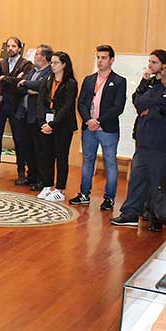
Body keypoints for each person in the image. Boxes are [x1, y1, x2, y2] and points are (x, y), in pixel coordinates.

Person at [110, 60, 166, 229]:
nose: (162, 73)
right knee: (137, 180)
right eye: (162, 69)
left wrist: (151, 111)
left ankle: (155, 217)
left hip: (163, 146)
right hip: (143, 142)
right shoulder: (158, 88)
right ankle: (130, 214)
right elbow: (140, 103)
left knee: (158, 183)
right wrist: (155, 108)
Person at [70, 45, 127, 211]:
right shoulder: (89, 79)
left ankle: (109, 198)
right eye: (98, 57)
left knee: (110, 163)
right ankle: (84, 194)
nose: (100, 61)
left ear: (111, 60)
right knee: (88, 160)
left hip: (107, 129)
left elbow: (118, 107)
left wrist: (99, 121)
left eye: (104, 58)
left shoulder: (119, 81)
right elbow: (81, 102)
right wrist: (88, 120)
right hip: (89, 128)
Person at [0, 37, 34, 179]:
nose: (10, 48)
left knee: (19, 138)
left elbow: (22, 83)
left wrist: (4, 78)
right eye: (8, 46)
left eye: (14, 46)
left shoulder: (26, 64)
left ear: (19, 49)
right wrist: (12, 79)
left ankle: (21, 171)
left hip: (16, 106)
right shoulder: (1, 62)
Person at [35, 52, 78, 202]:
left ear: (64, 64)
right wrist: (42, 122)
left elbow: (67, 107)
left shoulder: (70, 83)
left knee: (61, 157)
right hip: (46, 124)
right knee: (46, 156)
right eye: (51, 63)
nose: (52, 65)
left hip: (63, 125)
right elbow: (40, 102)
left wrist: (53, 124)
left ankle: (60, 189)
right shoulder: (47, 80)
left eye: (56, 63)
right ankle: (47, 185)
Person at [15, 44, 54, 189]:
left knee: (39, 149)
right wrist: (28, 88)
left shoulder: (49, 72)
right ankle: (30, 176)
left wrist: (26, 83)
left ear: (44, 57)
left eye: (37, 54)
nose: (35, 56)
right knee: (27, 148)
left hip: (37, 116)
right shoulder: (32, 70)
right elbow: (19, 87)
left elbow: (41, 86)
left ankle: (40, 179)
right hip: (25, 114)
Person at [131, 50, 166, 139]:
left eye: (154, 62)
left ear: (164, 65)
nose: (149, 65)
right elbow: (137, 101)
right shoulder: (149, 81)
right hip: (141, 129)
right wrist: (144, 81)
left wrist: (150, 111)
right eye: (149, 62)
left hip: (157, 131)